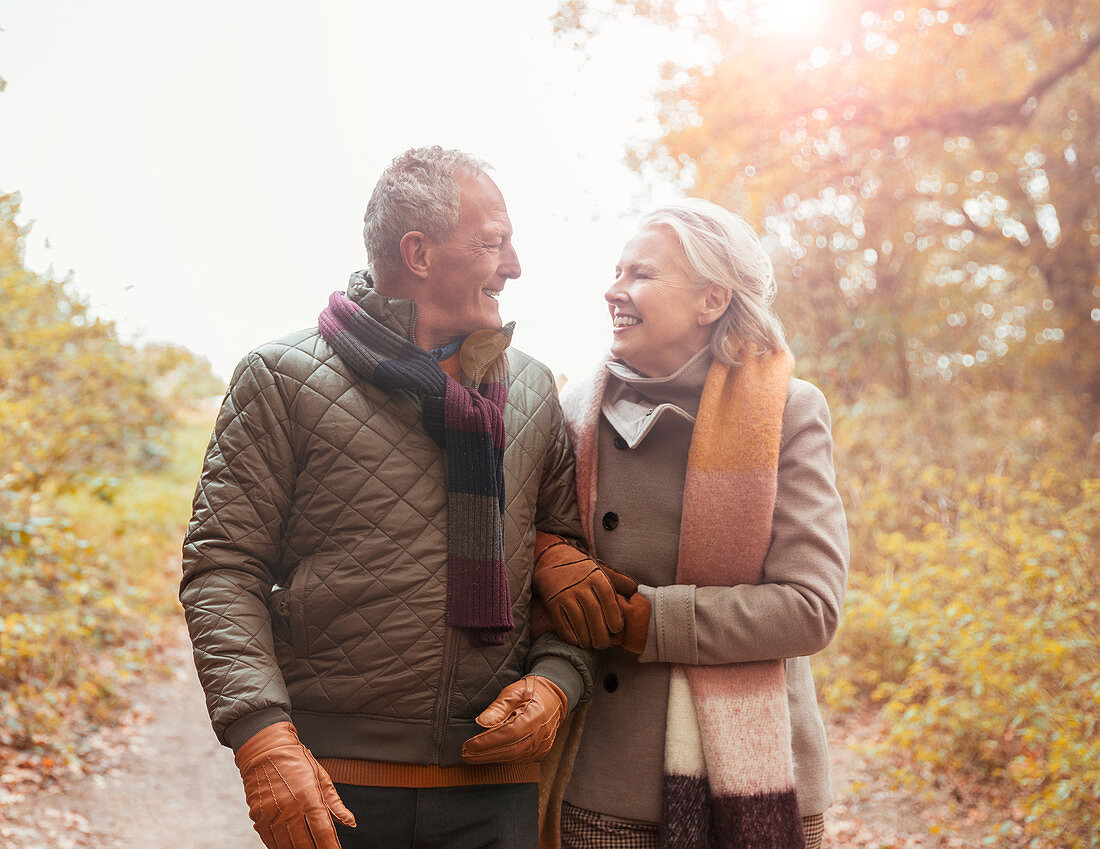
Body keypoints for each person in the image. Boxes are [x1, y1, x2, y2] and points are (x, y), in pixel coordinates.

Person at [179, 146, 599, 849]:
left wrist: (558, 680)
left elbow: (567, 561)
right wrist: (262, 741)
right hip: (333, 787)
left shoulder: (531, 389)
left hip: (495, 789)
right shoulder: (279, 378)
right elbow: (222, 568)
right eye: (494, 242)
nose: (515, 266)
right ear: (419, 252)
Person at [530, 198, 849, 849]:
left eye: (639, 274)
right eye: (616, 271)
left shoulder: (788, 411)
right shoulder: (573, 409)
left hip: (758, 779)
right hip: (605, 782)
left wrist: (651, 621)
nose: (613, 290)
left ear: (711, 299)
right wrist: (544, 556)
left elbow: (811, 607)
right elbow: (540, 543)